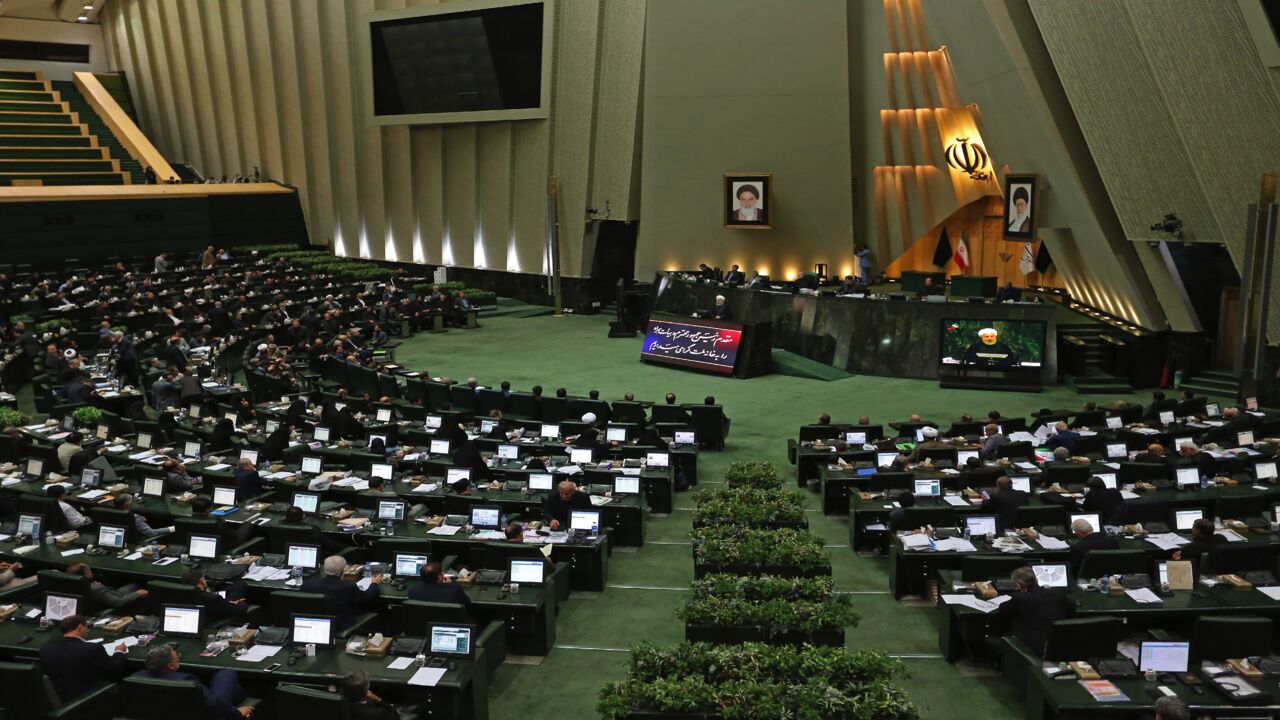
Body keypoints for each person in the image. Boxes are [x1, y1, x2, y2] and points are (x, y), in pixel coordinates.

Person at [133, 644, 253, 718]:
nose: (178, 658)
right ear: (170, 666)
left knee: (234, 689)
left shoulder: (135, 678)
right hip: (204, 715)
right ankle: (252, 703)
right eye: (177, 658)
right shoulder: (185, 680)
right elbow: (213, 705)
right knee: (227, 673)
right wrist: (236, 713)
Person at [39, 614, 128, 703]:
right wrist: (119, 651)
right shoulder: (92, 648)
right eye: (87, 627)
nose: (87, 630)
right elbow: (115, 666)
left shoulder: (46, 650)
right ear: (80, 627)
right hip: (87, 699)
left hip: (60, 697)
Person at [996, 567, 1071, 656]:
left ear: (1019, 585)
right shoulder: (1058, 593)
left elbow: (1003, 609)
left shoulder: (1020, 598)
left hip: (1034, 647)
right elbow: (1071, 607)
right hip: (1059, 643)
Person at [300, 555, 383, 630]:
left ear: (325, 569)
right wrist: (374, 583)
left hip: (315, 622)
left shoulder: (308, 584)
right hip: (339, 625)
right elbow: (368, 598)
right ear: (343, 570)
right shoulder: (348, 587)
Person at [64, 562, 148, 608]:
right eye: (89, 570)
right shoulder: (96, 588)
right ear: (87, 575)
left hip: (110, 593)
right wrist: (138, 594)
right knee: (140, 590)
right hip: (109, 603)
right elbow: (119, 602)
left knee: (136, 584)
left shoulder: (72, 583)